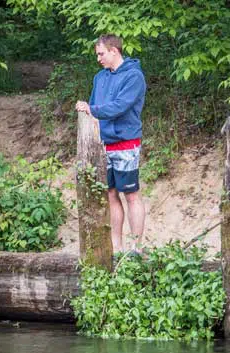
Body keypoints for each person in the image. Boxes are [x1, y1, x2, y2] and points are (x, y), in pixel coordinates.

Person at [76, 34, 147, 253]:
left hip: (126, 142)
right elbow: (94, 106)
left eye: (101, 54)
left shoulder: (134, 76)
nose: (98, 59)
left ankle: (136, 247)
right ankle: (116, 247)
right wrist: (90, 111)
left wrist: (91, 109)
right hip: (103, 144)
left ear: (114, 51)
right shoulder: (100, 77)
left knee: (131, 194)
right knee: (110, 194)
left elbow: (119, 107)